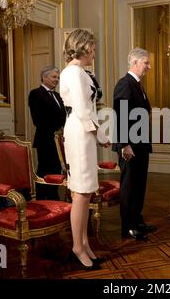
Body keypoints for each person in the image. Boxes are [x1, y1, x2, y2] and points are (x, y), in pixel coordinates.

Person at [60, 29, 110, 269]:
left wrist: (98, 134)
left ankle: (84, 243)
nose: (94, 52)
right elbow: (82, 109)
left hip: (84, 132)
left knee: (86, 191)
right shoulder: (73, 72)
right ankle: (77, 248)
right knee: (80, 192)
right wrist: (101, 135)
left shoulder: (81, 72)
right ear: (83, 47)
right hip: (80, 132)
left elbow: (88, 108)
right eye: (92, 47)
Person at [112, 47, 155, 241]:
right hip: (130, 146)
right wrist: (124, 145)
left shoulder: (137, 84)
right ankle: (128, 226)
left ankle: (137, 221)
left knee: (139, 185)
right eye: (146, 62)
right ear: (135, 62)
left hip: (140, 145)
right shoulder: (125, 83)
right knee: (129, 186)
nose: (149, 66)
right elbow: (120, 115)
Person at [28, 66, 66, 200]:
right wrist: (56, 128)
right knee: (45, 170)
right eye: (54, 77)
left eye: (58, 77)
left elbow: (63, 116)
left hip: (58, 139)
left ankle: (53, 197)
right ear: (44, 77)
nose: (57, 80)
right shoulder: (35, 93)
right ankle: (42, 199)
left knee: (56, 169)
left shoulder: (57, 95)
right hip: (45, 139)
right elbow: (37, 119)